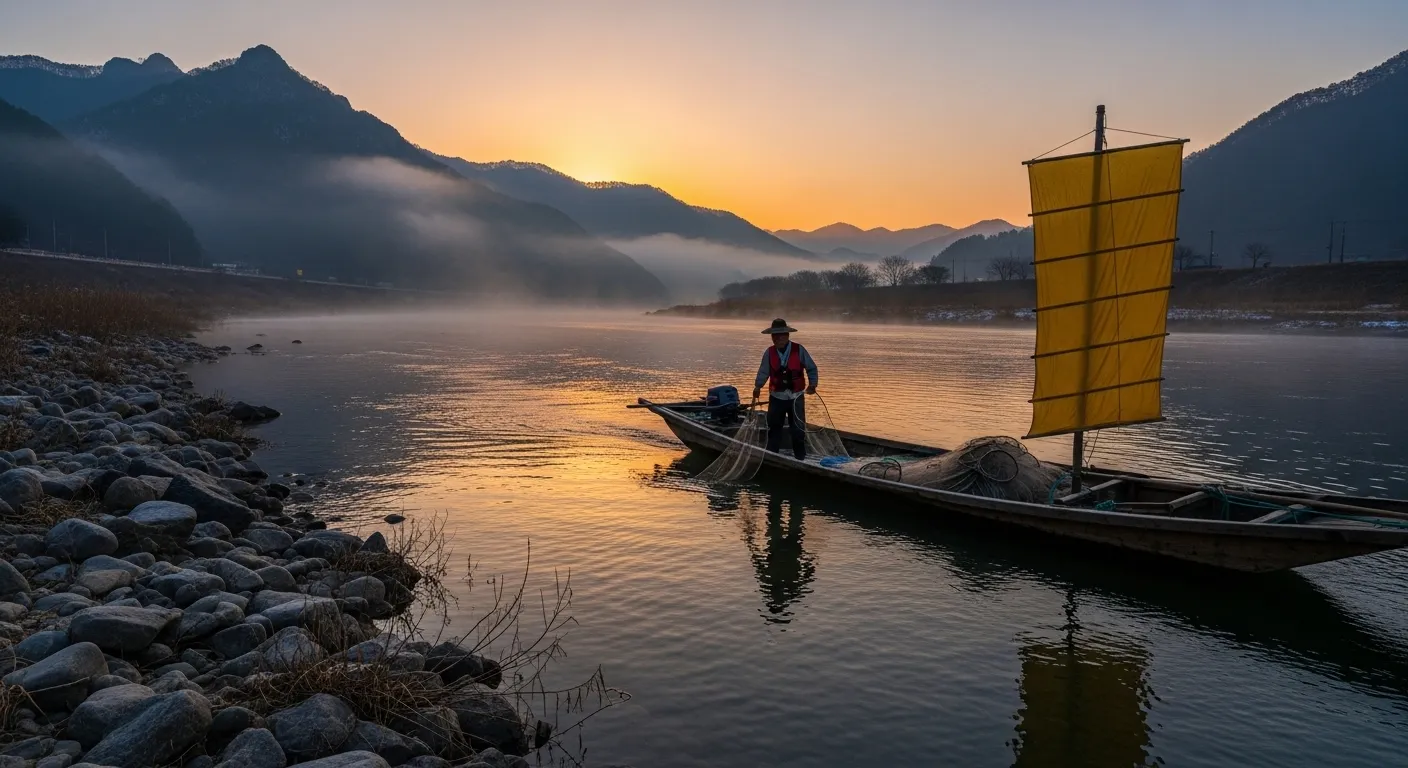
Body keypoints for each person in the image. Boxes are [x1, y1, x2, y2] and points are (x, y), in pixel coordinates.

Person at [752, 318, 818, 460]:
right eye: (775, 335)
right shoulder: (769, 352)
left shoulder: (799, 350)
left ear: (787, 335)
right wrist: (758, 386)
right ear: (772, 337)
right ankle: (772, 456)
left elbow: (811, 368)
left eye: (782, 334)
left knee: (798, 428)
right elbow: (763, 372)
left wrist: (813, 384)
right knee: (774, 428)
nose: (779, 338)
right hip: (776, 397)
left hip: (796, 396)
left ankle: (800, 457)